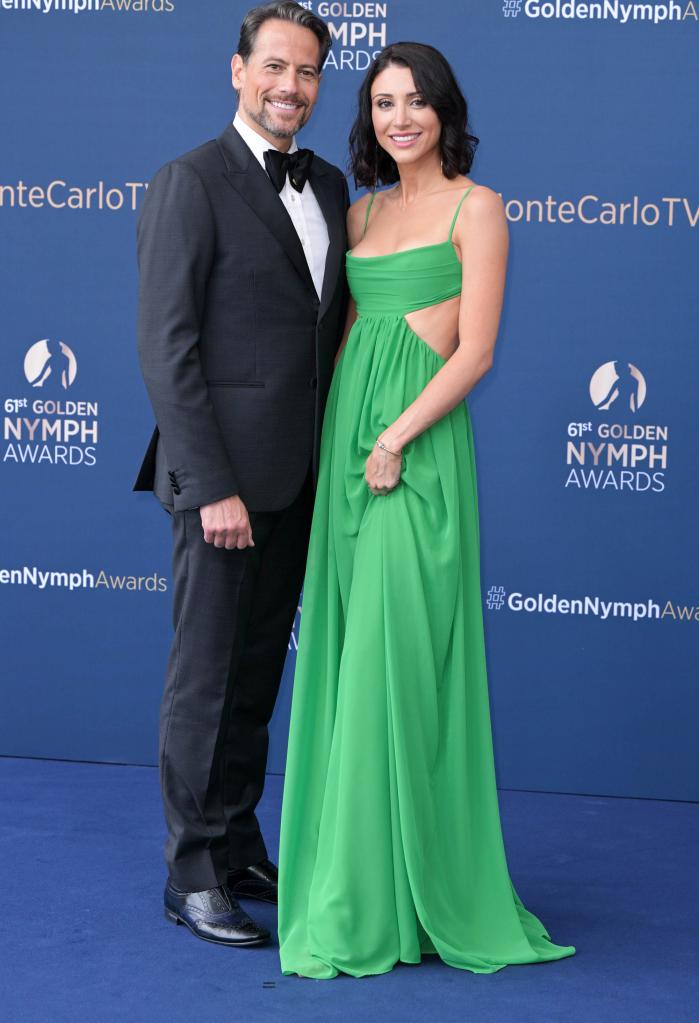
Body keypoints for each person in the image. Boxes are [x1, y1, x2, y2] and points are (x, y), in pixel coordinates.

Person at [278, 42, 576, 978]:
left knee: (389, 665)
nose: (397, 117)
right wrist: (334, 444)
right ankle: (367, 885)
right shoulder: (361, 212)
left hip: (414, 457)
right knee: (347, 660)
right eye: (380, 103)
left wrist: (395, 437)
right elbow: (350, 335)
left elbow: (474, 351)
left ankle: (400, 892)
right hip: (348, 455)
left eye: (414, 101)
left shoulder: (477, 209)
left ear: (443, 110)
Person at [134, 2, 348, 948]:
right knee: (204, 678)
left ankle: (234, 840)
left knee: (257, 674)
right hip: (220, 484)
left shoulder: (333, 185)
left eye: (305, 72)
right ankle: (189, 874)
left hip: (297, 478)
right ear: (236, 70)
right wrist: (210, 482)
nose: (288, 87)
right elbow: (166, 347)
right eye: (273, 67)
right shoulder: (190, 180)